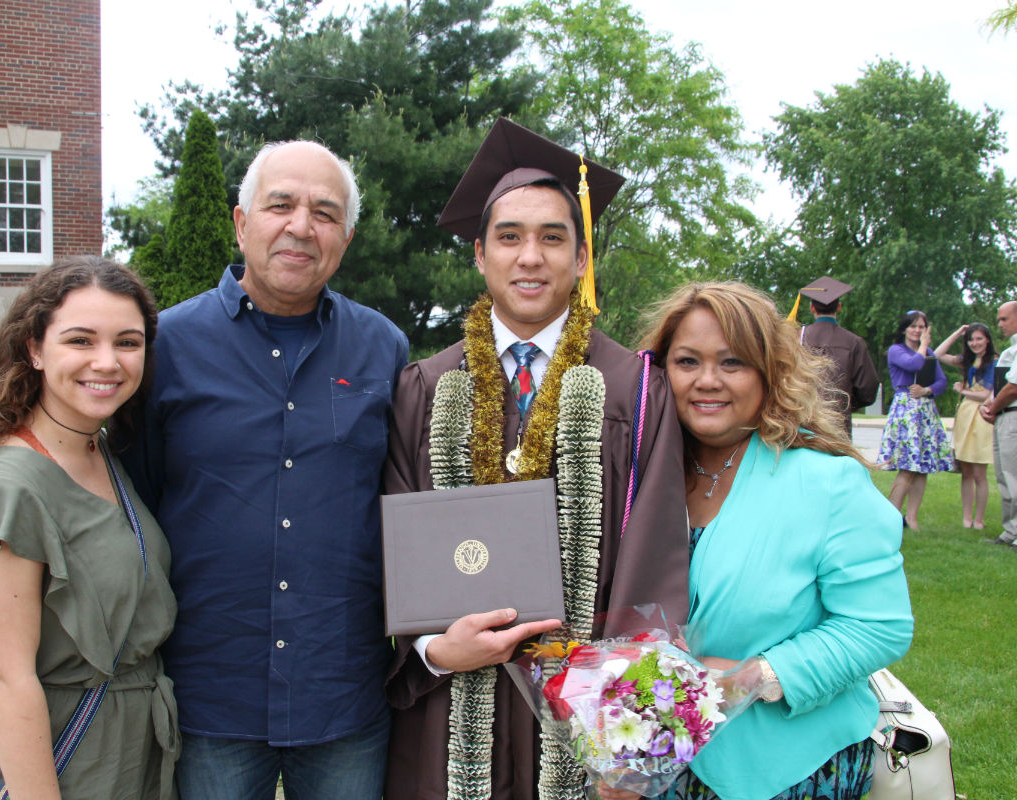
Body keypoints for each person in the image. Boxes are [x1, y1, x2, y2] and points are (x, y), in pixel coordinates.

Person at [383, 118, 689, 800]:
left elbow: (656, 556)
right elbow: (396, 548)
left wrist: (632, 734)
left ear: (581, 258)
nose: (530, 257)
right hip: (452, 705)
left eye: (553, 237)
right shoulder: (425, 387)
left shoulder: (637, 390)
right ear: (479, 254)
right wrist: (433, 649)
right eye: (509, 237)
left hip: (588, 700)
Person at [119, 140, 408, 800]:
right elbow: (137, 500)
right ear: (241, 222)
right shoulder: (167, 346)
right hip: (211, 694)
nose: (301, 226)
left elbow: (401, 499)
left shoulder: (383, 349)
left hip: (343, 693)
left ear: (346, 239)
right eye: (280, 205)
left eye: (325, 213)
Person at [0, 257, 179, 798]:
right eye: (80, 340)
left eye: (127, 342)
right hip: (63, 765)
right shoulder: (5, 491)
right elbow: (9, 681)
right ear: (34, 348)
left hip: (137, 761)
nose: (107, 362)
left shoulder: (101, 452)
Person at [641, 281, 913, 800]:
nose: (707, 381)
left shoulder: (827, 483)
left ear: (770, 371)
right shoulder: (640, 477)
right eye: (687, 361)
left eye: (733, 362)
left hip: (788, 765)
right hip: (652, 761)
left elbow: (878, 627)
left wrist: (754, 677)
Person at [876, 310, 955, 530]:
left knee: (922, 468)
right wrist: (924, 346)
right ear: (904, 329)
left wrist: (927, 390)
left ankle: (912, 518)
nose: (917, 330)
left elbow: (941, 381)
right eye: (913, 326)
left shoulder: (928, 352)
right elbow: (914, 365)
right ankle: (891, 517)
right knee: (907, 467)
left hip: (925, 410)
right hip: (906, 410)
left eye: (922, 327)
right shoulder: (896, 350)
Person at [793, 276, 879, 435]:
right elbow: (868, 391)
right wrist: (844, 403)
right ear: (839, 308)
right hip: (839, 426)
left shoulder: (797, 338)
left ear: (812, 308)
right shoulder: (854, 342)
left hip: (803, 423)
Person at [934, 322, 998, 529]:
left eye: (979, 338)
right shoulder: (967, 361)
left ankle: (979, 520)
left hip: (981, 415)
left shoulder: (994, 362)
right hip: (965, 415)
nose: (975, 343)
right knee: (966, 472)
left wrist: (962, 391)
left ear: (987, 339)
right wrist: (957, 333)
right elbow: (937, 354)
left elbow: (985, 394)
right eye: (971, 339)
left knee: (979, 473)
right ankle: (967, 517)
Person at [980, 300, 1017, 547]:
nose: (1000, 324)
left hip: (1013, 414)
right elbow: (999, 385)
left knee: (1014, 475)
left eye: (1004, 319)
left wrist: (993, 408)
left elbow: (1013, 388)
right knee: (1004, 475)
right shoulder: (1009, 352)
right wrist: (988, 406)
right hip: (1003, 416)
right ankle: (1010, 530)